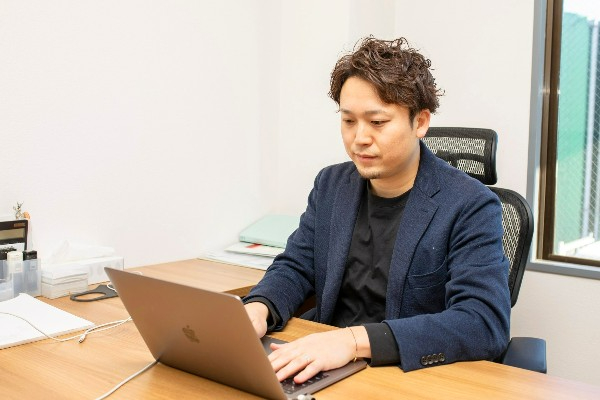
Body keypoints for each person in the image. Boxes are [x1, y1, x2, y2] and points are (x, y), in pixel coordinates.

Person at [244, 37, 510, 384]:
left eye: (378, 122)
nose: (359, 138)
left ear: (420, 122)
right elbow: (296, 265)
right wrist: (258, 308)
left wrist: (352, 341)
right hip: (327, 366)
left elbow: (483, 322)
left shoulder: (470, 205)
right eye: (348, 121)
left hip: (402, 373)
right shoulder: (331, 185)